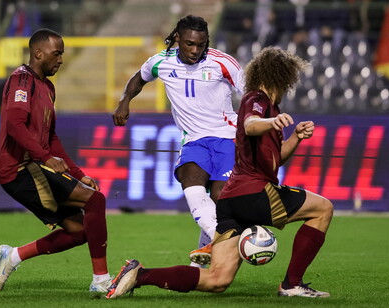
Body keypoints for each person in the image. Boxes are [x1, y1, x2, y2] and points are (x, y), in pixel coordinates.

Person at [106, 46, 333, 299]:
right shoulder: (256, 100)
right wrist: (269, 122)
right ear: (283, 78)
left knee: (217, 279)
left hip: (230, 201)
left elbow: (276, 157)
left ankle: (140, 275)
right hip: (255, 194)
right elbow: (249, 125)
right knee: (323, 208)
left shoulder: (270, 109)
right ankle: (292, 284)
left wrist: (296, 138)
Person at [112, 15, 244, 266]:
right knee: (190, 180)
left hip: (227, 138)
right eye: (189, 44)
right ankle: (225, 239)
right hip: (193, 140)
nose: (196, 50)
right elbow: (138, 79)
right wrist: (124, 102)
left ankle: (200, 262)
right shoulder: (161, 62)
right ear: (177, 39)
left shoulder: (223, 63)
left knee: (220, 202)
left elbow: (250, 94)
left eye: (201, 44)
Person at [0, 28, 112, 295]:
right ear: (38, 53)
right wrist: (45, 157)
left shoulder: (47, 87)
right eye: (56, 53)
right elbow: (14, 124)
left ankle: (12, 257)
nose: (60, 59)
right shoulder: (21, 81)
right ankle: (101, 279)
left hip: (34, 165)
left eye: (62, 54)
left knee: (79, 232)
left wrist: (78, 173)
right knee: (95, 201)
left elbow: (51, 137)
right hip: (18, 170)